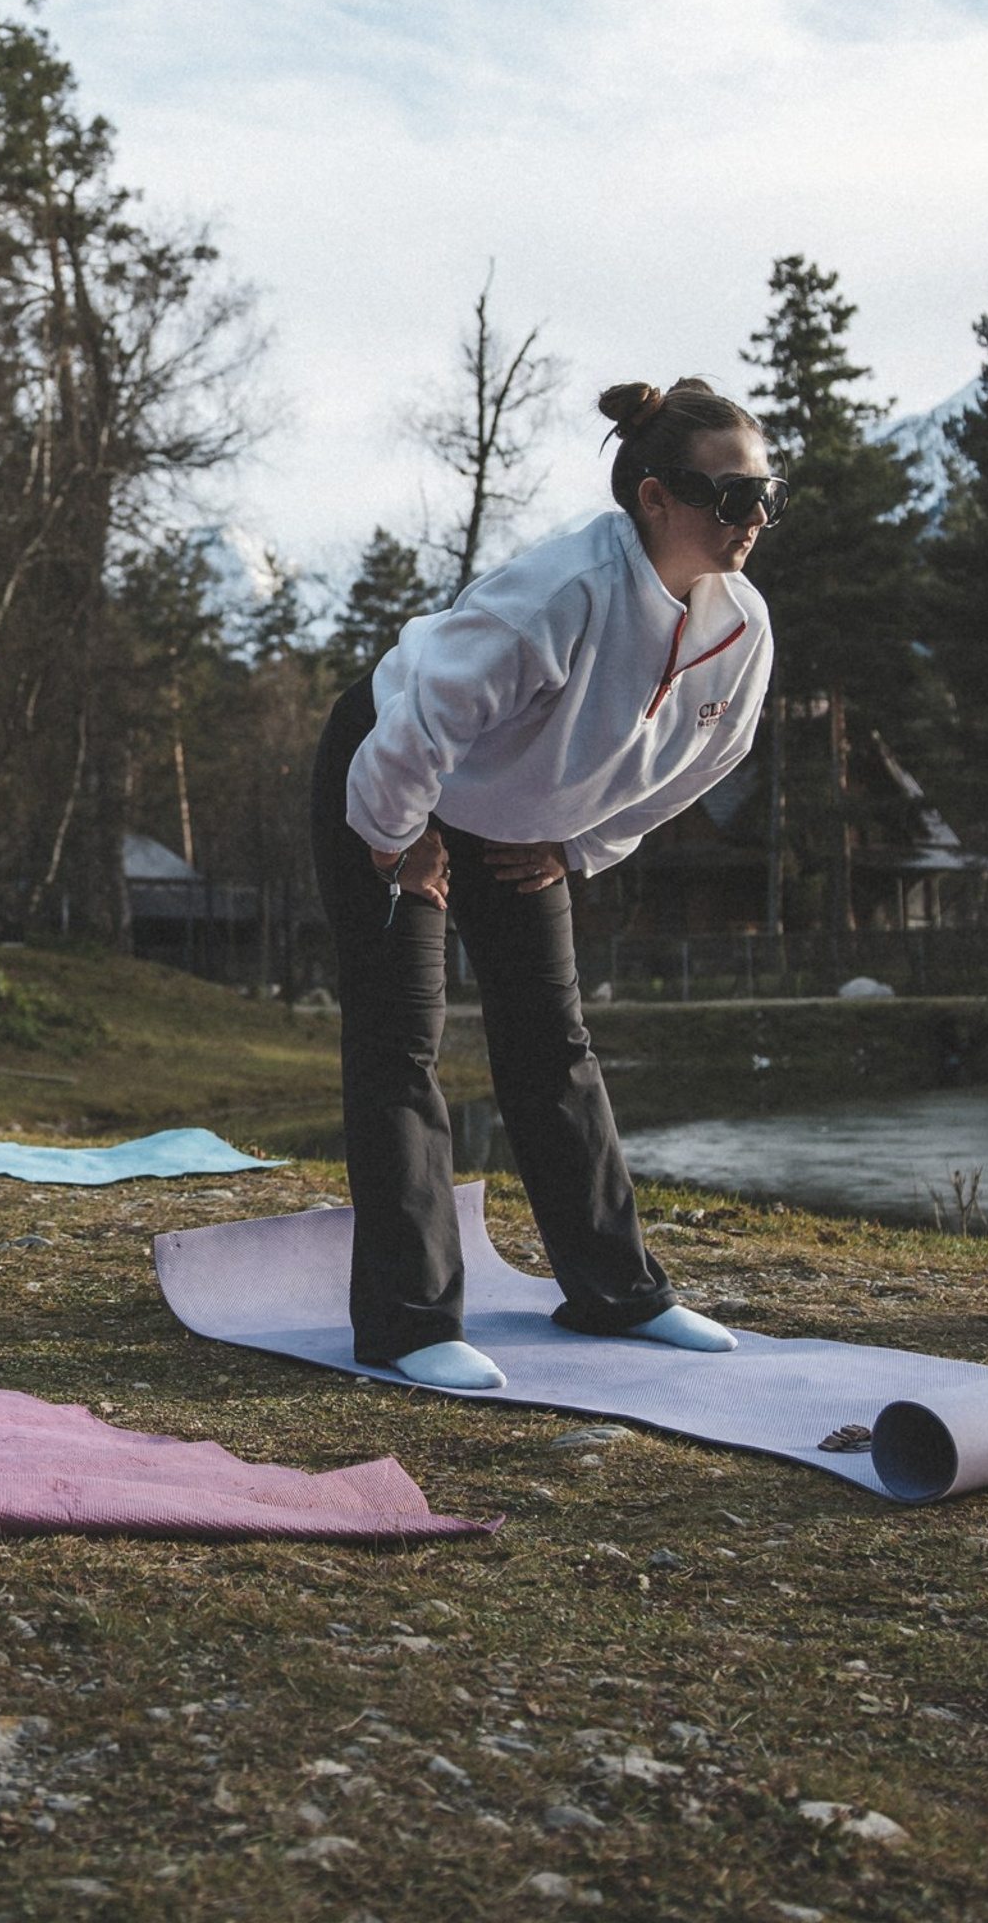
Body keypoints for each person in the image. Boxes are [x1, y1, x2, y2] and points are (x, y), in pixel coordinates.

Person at [309, 377, 781, 1391]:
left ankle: (618, 1291)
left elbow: (698, 770)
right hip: (391, 776)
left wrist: (576, 850)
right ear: (654, 497)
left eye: (765, 495)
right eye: (728, 496)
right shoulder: (562, 589)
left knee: (550, 1040)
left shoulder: (740, 631)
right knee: (401, 1040)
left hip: (520, 824)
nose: (752, 519)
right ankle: (406, 1321)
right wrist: (400, 841)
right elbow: (417, 725)